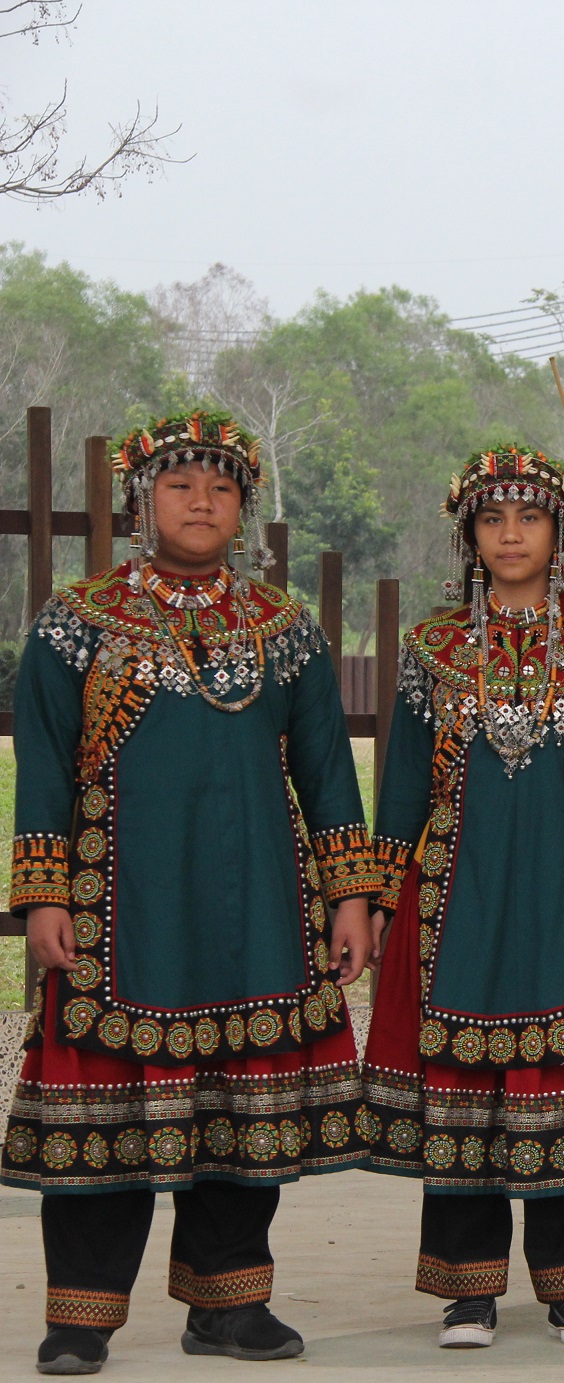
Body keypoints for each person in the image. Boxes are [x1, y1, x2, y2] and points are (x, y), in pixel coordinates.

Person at [3, 412, 377, 1374]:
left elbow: (327, 772)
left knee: (243, 1111)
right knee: (105, 1108)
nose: (201, 502)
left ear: (244, 508)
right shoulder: (76, 622)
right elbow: (42, 765)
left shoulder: (285, 629)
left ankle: (228, 1307)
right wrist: (43, 893)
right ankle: (80, 1319)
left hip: (258, 910)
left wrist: (349, 896)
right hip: (119, 909)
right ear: (142, 502)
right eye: (179, 485)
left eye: (221, 487)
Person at [361, 445, 564, 1350]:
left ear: (559, 535)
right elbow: (404, 781)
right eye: (492, 519)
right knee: (462, 1075)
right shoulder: (432, 648)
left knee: (562, 1071)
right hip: (457, 892)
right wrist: (378, 894)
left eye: (529, 518)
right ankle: (467, 1292)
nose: (511, 534)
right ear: (470, 536)